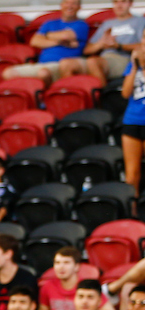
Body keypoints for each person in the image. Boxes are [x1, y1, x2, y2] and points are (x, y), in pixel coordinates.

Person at [2, 0, 88, 85]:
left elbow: (66, 36)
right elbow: (34, 41)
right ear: (61, 5)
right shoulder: (50, 23)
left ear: (79, 7)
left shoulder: (81, 25)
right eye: (67, 3)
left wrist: (46, 36)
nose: (70, 6)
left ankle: (46, 97)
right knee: (8, 73)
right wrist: (59, 42)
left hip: (61, 65)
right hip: (41, 64)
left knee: (43, 73)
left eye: (74, 3)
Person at [38, 247, 119, 310]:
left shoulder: (86, 286)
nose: (61, 267)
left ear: (76, 267)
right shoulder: (48, 286)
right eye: (57, 263)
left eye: (66, 263)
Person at [83, 0, 144, 79]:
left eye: (123, 1)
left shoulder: (140, 21)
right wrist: (101, 44)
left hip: (124, 58)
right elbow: (87, 50)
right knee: (67, 64)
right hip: (103, 58)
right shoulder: (107, 23)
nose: (119, 5)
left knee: (92, 62)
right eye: (116, 2)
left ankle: (102, 91)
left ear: (130, 3)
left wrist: (119, 46)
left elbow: (143, 46)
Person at [121, 40, 145, 194]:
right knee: (131, 176)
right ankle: (132, 212)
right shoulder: (133, 65)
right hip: (132, 120)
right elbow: (125, 93)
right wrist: (136, 66)